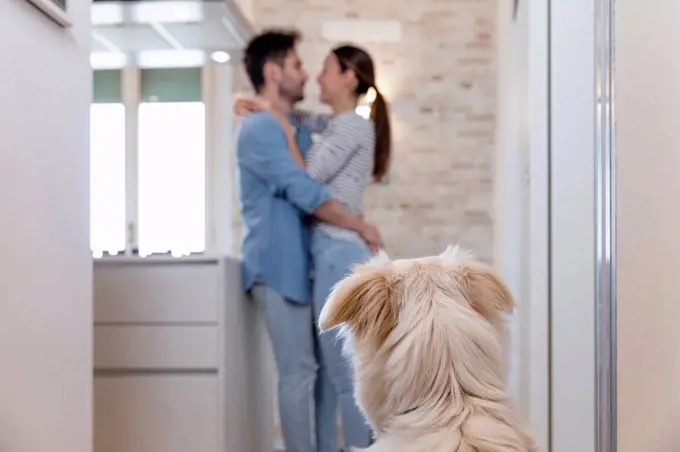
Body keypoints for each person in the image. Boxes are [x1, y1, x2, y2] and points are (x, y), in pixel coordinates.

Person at [236, 43, 391, 452]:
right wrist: (259, 107)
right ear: (273, 72)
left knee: (341, 374)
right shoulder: (324, 124)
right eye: (301, 66)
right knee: (325, 373)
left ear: (349, 78)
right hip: (323, 252)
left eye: (322, 69)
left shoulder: (349, 126)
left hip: (336, 249)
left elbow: (310, 180)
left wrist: (359, 225)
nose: (312, 77)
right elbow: (298, 121)